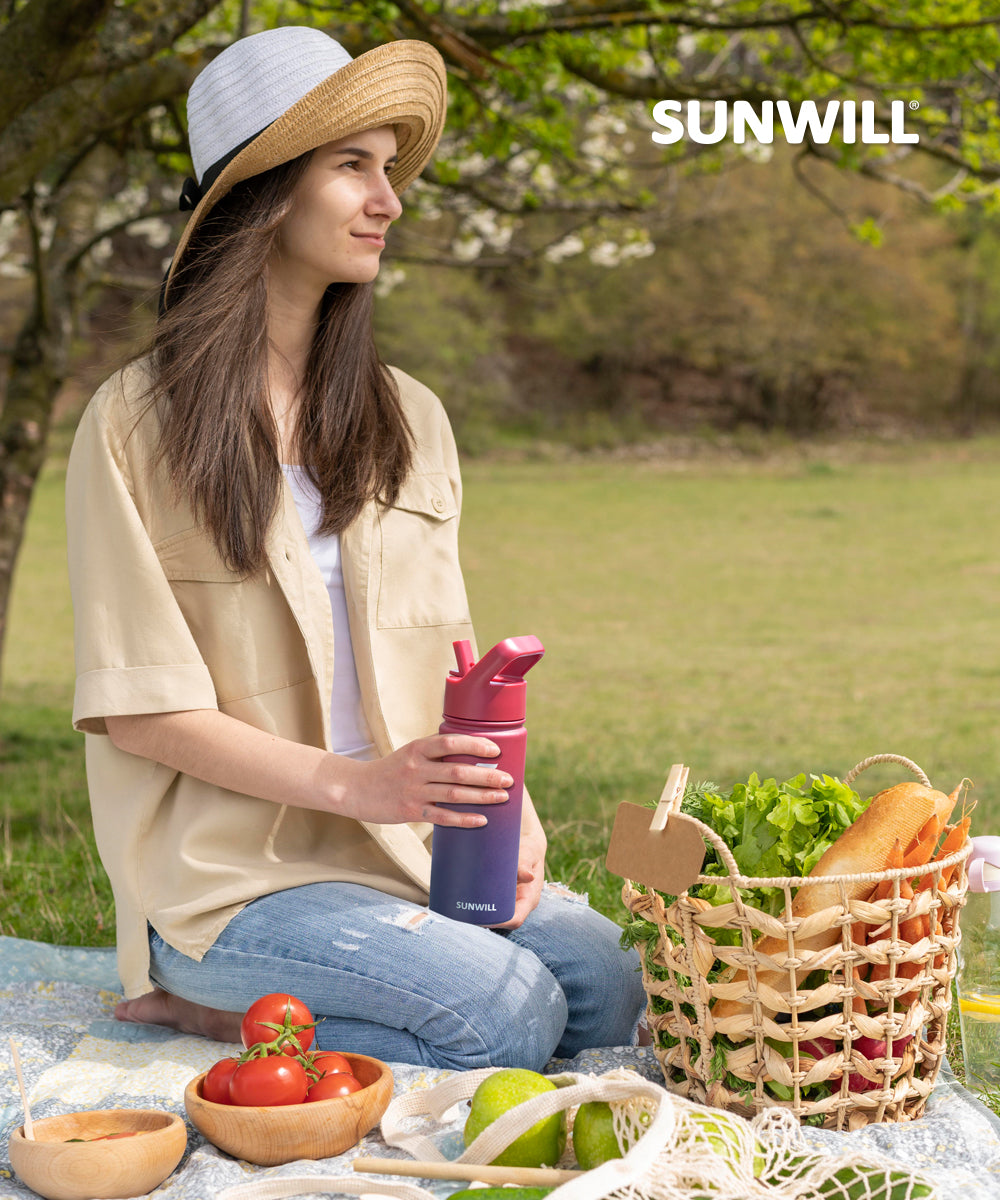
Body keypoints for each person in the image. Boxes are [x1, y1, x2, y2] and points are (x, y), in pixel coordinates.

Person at [65, 25, 645, 1071]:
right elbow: (142, 708)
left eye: (389, 169)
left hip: (407, 851)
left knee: (609, 986)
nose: (391, 200)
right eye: (353, 167)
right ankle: (203, 1008)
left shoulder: (409, 416)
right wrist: (362, 787)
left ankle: (277, 1014)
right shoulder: (131, 424)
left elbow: (456, 668)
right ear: (265, 192)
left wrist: (513, 824)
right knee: (506, 1014)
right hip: (234, 878)